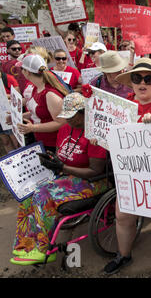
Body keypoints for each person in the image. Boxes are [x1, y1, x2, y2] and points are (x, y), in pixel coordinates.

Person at [10, 92, 109, 265]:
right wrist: (52, 160)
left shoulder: (95, 134)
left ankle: (42, 248)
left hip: (92, 181)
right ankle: (26, 245)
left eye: (71, 116)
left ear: (83, 113)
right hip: (67, 176)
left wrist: (62, 168)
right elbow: (62, 155)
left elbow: (95, 171)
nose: (68, 120)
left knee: (42, 195)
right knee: (27, 195)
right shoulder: (64, 128)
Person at [103, 58, 151, 275]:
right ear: (131, 82)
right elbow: (111, 136)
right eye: (137, 78)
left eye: (148, 78)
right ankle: (123, 255)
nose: (142, 82)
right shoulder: (122, 106)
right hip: (130, 173)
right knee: (123, 215)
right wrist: (98, 137)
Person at [14, 54, 68, 152]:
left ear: (27, 72)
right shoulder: (36, 87)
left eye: (22, 69)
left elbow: (61, 122)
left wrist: (32, 128)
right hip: (41, 141)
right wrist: (18, 116)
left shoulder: (50, 94)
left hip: (54, 144)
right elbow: (38, 112)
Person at [0, 70, 20, 153]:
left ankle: (21, 158)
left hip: (8, 113)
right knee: (5, 141)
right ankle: (12, 162)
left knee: (16, 141)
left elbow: (17, 94)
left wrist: (4, 96)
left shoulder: (8, 78)